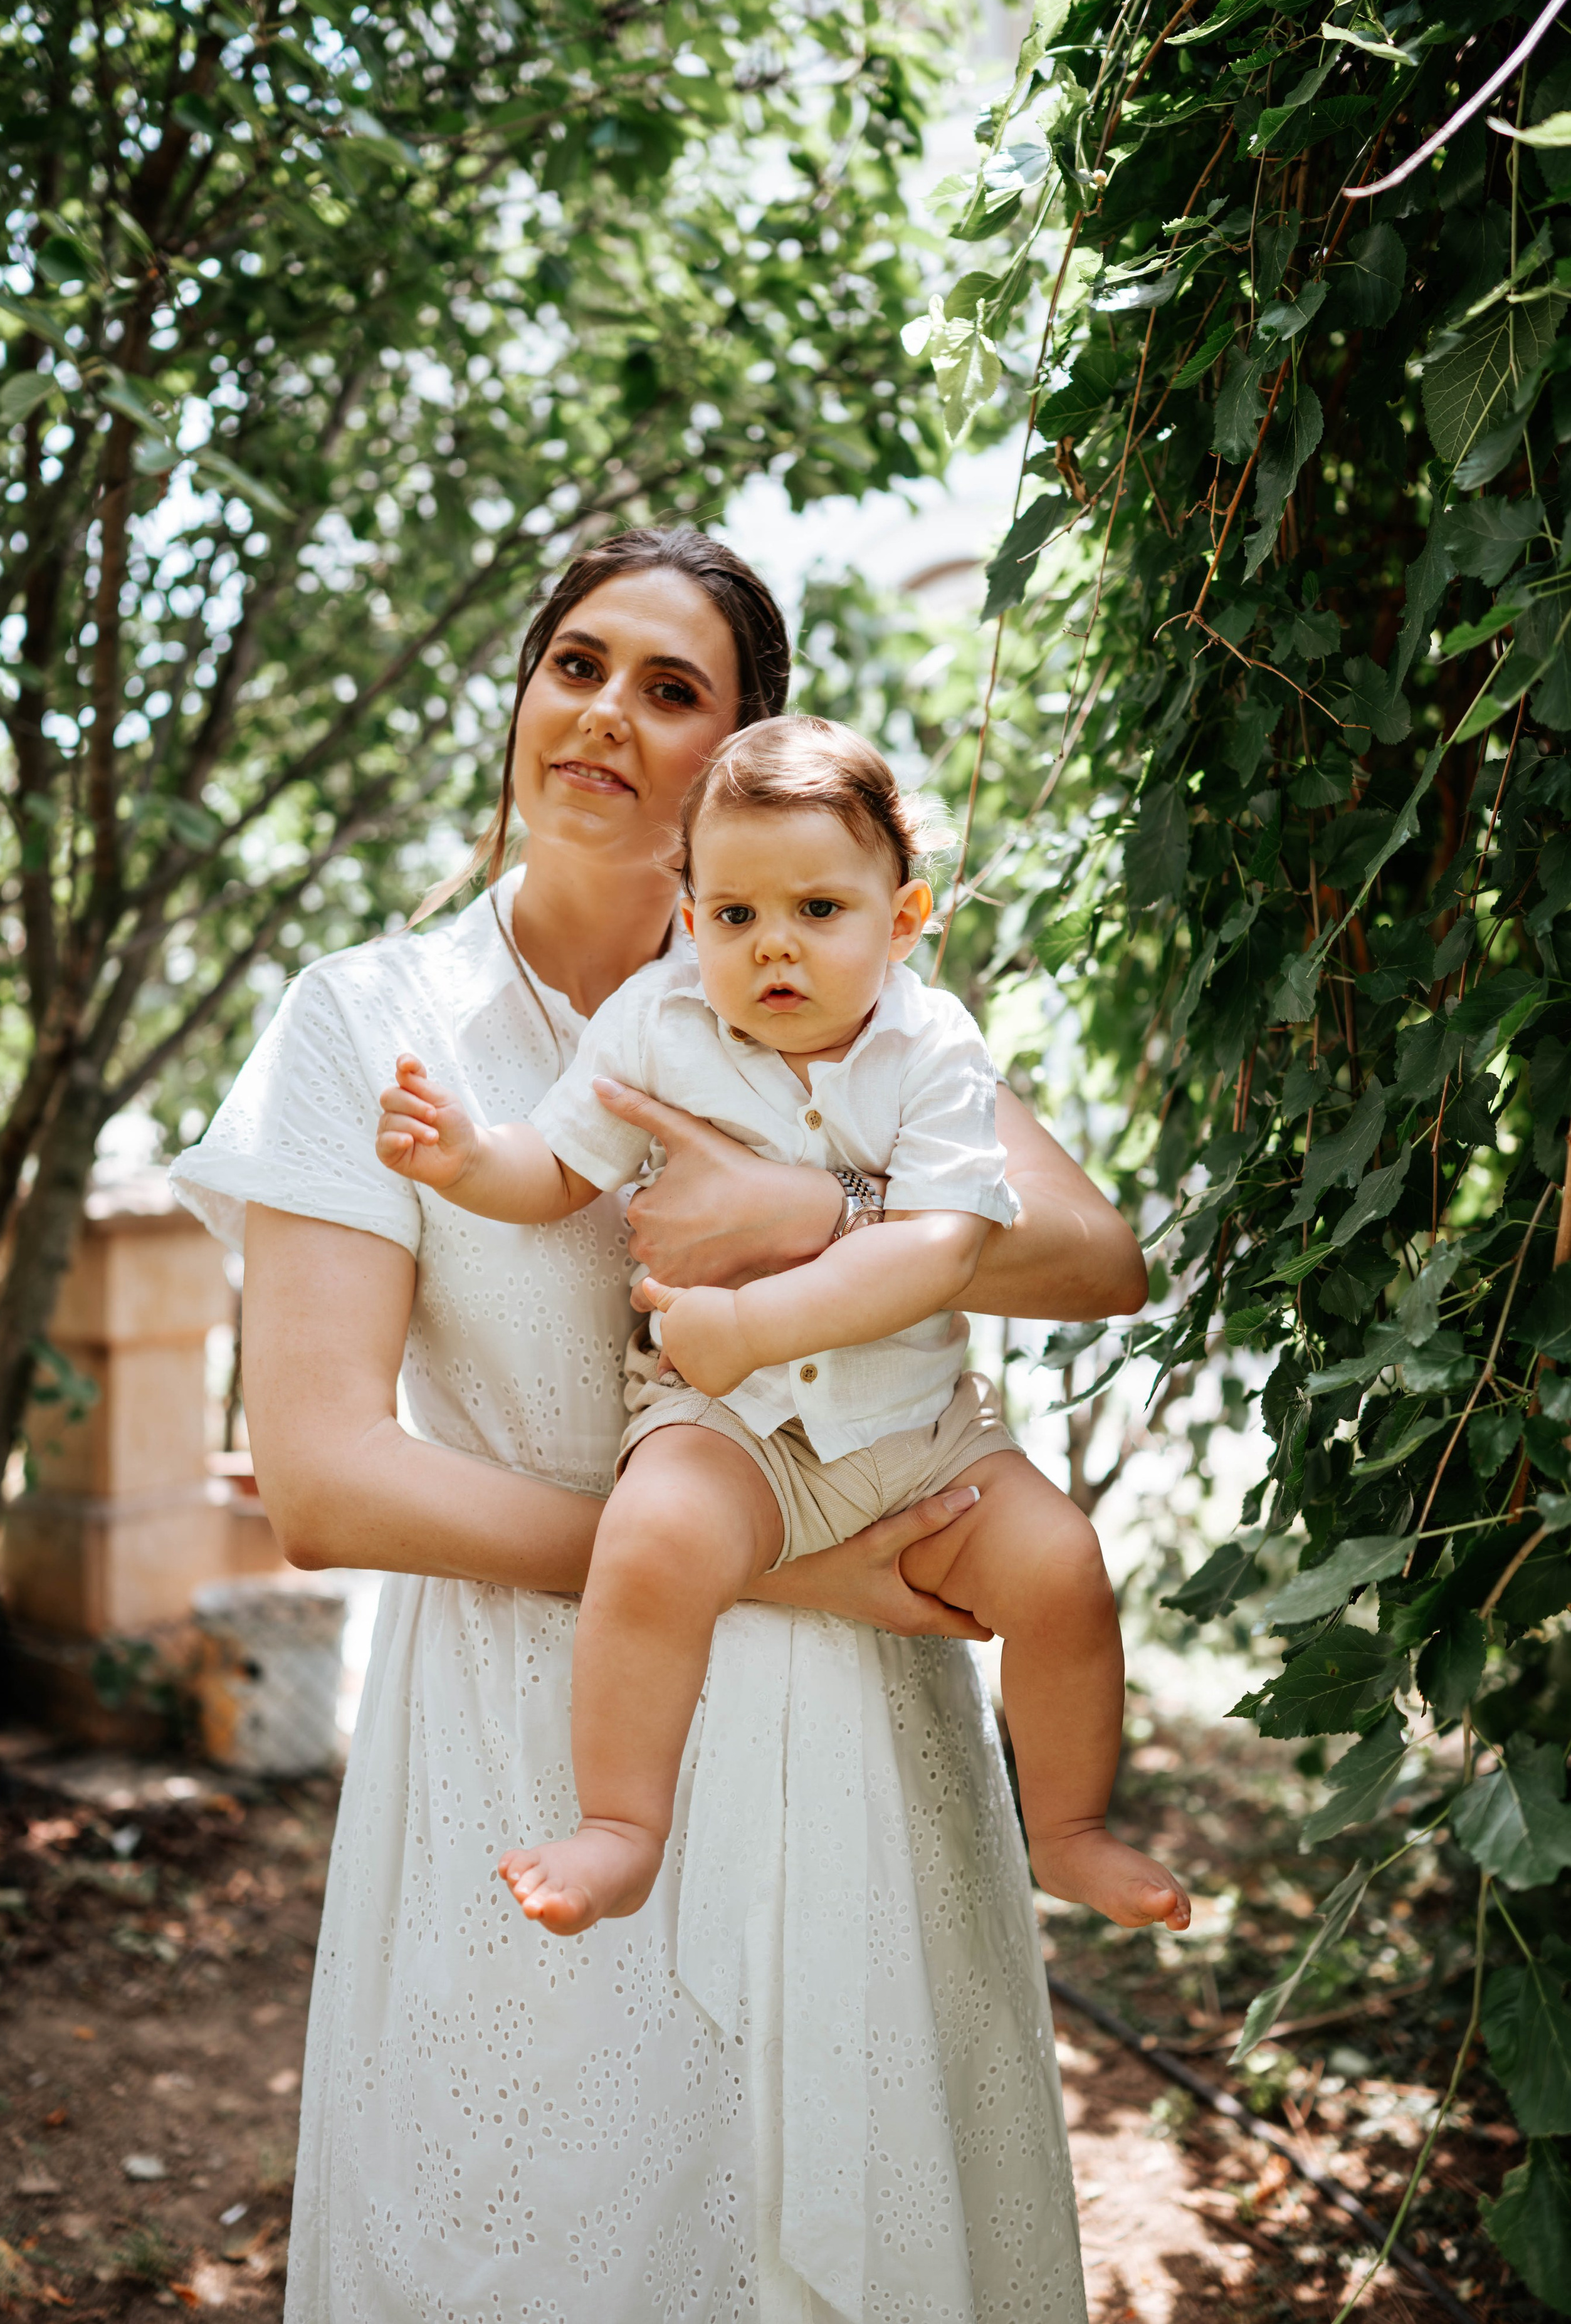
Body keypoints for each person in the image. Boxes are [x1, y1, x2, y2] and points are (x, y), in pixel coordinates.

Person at [171, 525, 1145, 2321]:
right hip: (538, 1732)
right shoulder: (374, 1022)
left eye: (674, 688)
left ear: (745, 769)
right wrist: (789, 1573)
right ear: (526, 701)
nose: (609, 710)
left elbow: (1094, 1253)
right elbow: (320, 1482)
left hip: (860, 1731)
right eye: (578, 664)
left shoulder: (842, 994)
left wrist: (813, 1218)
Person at [376, 715, 1189, 1945]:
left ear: (900, 919)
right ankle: (620, 1826)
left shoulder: (934, 1049)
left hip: (914, 1431)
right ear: (691, 920)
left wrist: (750, 1318)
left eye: (818, 910)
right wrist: (465, 1159)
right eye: (737, 916)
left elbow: (940, 1246)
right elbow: (555, 1166)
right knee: (651, 1541)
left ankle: (1067, 1829)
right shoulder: (656, 1026)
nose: (775, 949)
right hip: (726, 1424)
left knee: (1061, 1567)